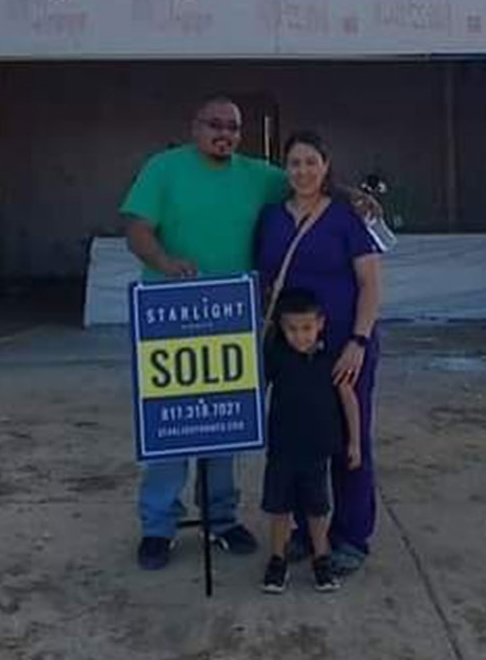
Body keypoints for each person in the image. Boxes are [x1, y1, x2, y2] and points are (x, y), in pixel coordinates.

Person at [121, 96, 287, 570]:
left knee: (224, 423)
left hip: (232, 317)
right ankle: (158, 525)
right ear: (195, 127)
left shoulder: (257, 175)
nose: (224, 134)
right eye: (215, 124)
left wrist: (353, 197)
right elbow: (137, 228)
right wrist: (165, 262)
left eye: (233, 127)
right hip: (170, 317)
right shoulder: (164, 169)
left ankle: (221, 517)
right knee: (169, 424)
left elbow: (308, 181)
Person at [255, 131, 382, 575]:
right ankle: (305, 533)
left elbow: (370, 284)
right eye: (295, 163)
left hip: (344, 343)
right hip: (291, 349)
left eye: (311, 162)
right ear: (284, 169)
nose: (303, 171)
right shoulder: (271, 218)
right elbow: (262, 280)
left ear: (326, 166)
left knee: (349, 439)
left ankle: (351, 535)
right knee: (296, 439)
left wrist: (359, 341)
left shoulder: (347, 217)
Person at [261, 288, 361, 594]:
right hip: (281, 448)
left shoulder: (332, 360)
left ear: (320, 324)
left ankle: (322, 560)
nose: (300, 336)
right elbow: (254, 388)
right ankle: (277, 561)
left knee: (317, 509)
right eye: (292, 329)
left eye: (306, 328)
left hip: (318, 450)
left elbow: (349, 399)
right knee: (279, 508)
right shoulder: (275, 357)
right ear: (281, 327)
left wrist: (354, 442)